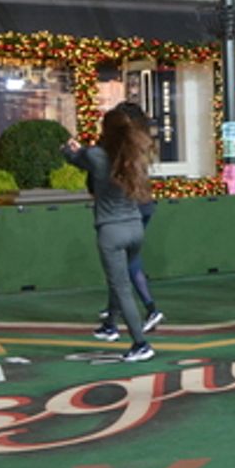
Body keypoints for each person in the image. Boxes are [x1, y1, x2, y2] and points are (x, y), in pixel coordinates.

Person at [64, 105, 159, 362]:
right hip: (135, 227)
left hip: (111, 231)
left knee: (121, 288)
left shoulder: (97, 155)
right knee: (121, 283)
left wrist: (68, 148)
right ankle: (110, 326)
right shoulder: (134, 156)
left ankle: (141, 343)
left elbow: (73, 158)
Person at [95, 102, 164, 339]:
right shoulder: (139, 143)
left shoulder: (114, 147)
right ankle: (112, 321)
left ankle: (149, 308)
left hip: (125, 213)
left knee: (125, 269)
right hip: (141, 208)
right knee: (123, 267)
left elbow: (93, 175)